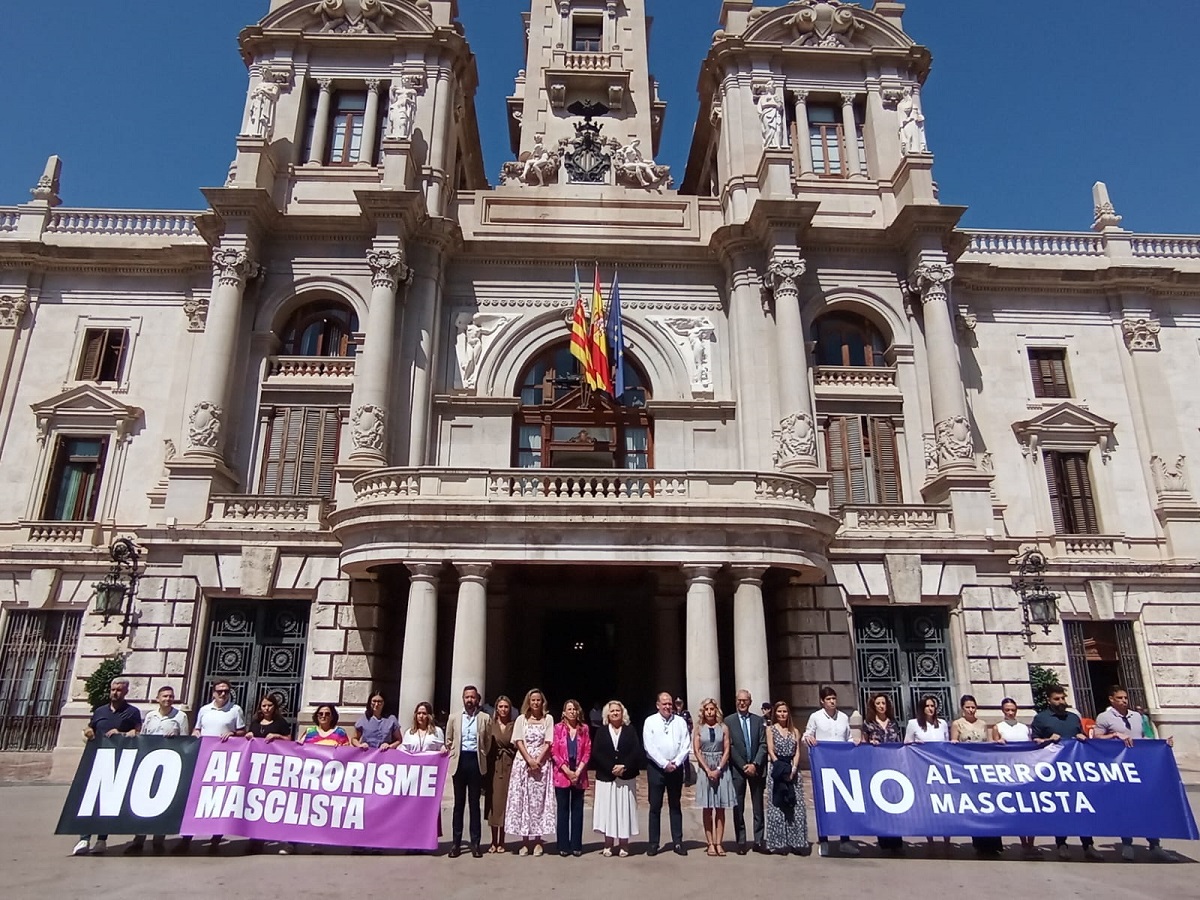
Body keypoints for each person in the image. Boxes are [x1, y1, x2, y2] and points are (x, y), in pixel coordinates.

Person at [1093, 685, 1172, 862]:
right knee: (1125, 805)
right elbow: (1096, 739)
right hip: (1119, 769)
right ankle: (1127, 843)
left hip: (1141, 766)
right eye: (1120, 698)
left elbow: (1144, 738)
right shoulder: (1104, 717)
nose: (1124, 701)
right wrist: (1113, 735)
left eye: (1125, 698)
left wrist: (1161, 744)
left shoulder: (1137, 717)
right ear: (1111, 699)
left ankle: (1155, 844)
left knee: (1147, 805)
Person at [73, 678, 142, 856]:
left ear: (126, 692)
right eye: (113, 689)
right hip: (96, 760)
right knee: (90, 799)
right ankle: (84, 838)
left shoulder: (132, 712)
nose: (115, 693)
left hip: (118, 762)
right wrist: (87, 732)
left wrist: (128, 733)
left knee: (108, 802)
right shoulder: (100, 711)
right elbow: (89, 728)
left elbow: (139, 733)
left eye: (119, 690)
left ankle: (101, 840)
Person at [1031, 685, 1100, 861]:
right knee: (1061, 808)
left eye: (1062, 698)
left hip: (1076, 771)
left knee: (1081, 808)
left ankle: (1088, 844)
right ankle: (1061, 844)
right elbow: (1033, 744)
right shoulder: (1040, 719)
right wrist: (1047, 740)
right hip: (1054, 773)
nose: (1061, 702)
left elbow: (1082, 737)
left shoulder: (1073, 718)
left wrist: (1082, 738)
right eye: (1057, 699)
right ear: (1049, 700)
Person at [175, 680, 244, 854]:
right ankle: (186, 838)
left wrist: (233, 733)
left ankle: (215, 839)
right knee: (196, 798)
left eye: (226, 691)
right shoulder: (204, 710)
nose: (223, 694)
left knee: (220, 798)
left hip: (224, 761)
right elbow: (197, 729)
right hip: (203, 759)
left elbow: (242, 732)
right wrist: (196, 733)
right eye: (219, 691)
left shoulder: (236, 710)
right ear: (213, 693)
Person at [803, 686, 858, 857]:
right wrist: (809, 738)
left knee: (843, 803)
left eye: (834, 698)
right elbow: (806, 735)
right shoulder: (816, 717)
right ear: (822, 701)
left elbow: (847, 737)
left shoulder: (843, 717)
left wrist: (854, 742)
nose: (832, 701)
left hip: (841, 766)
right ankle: (824, 840)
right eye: (828, 699)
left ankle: (845, 840)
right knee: (823, 803)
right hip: (823, 766)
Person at [444, 685, 493, 859]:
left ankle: (475, 843)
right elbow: (448, 739)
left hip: (476, 762)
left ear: (477, 699)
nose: (469, 700)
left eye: (472, 697)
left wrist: (482, 754)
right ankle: (456, 844)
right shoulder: (454, 718)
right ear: (463, 699)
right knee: (458, 805)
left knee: (474, 806)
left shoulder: (485, 718)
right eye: (467, 697)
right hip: (460, 762)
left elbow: (487, 741)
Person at [951, 694, 1002, 856]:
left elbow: (986, 745)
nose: (971, 710)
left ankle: (993, 843)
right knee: (974, 805)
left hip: (982, 768)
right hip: (966, 769)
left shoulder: (983, 724)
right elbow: (953, 745)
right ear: (962, 708)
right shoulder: (957, 724)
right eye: (968, 707)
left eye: (973, 707)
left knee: (988, 804)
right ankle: (979, 844)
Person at [507, 688, 556, 856]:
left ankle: (537, 841)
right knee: (523, 801)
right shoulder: (522, 719)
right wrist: (529, 759)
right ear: (528, 702)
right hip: (523, 763)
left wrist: (538, 760)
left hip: (541, 766)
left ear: (542, 702)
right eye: (533, 700)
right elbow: (518, 741)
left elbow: (549, 741)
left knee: (538, 803)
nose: (535, 703)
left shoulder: (548, 719)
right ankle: (524, 841)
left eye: (538, 700)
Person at [642, 691, 691, 856]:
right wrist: (664, 764)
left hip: (676, 769)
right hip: (656, 769)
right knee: (655, 807)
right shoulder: (650, 722)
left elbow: (686, 744)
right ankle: (653, 844)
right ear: (658, 705)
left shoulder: (680, 722)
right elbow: (649, 746)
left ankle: (677, 842)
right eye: (664, 703)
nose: (668, 706)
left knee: (675, 806)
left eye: (670, 703)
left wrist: (676, 762)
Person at [591, 699, 641, 857]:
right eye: (611, 711)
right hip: (606, 777)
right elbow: (597, 752)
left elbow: (636, 751)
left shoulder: (630, 730)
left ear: (622, 713)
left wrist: (624, 767)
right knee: (608, 810)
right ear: (607, 714)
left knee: (624, 809)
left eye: (617, 711)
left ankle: (624, 844)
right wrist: (611, 768)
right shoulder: (601, 731)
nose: (614, 713)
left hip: (626, 777)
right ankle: (608, 843)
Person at [990, 697, 1038, 858]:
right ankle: (1023, 843)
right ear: (1002, 711)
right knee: (1017, 809)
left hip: (1026, 771)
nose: (1010, 712)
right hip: (1009, 772)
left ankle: (1031, 844)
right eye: (1007, 710)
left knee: (1030, 809)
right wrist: (998, 742)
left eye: (1013, 710)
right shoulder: (998, 727)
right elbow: (992, 749)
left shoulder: (1024, 728)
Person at [904, 694, 951, 853]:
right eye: (928, 706)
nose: (931, 708)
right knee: (927, 803)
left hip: (941, 769)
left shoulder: (943, 724)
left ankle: (947, 839)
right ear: (922, 708)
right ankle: (930, 839)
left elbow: (947, 745)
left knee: (944, 802)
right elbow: (906, 744)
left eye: (933, 705)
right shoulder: (913, 724)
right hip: (922, 769)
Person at [860, 692, 903, 854]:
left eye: (883, 703)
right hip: (876, 767)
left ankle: (897, 842)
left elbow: (899, 742)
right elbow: (864, 744)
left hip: (892, 766)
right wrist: (870, 743)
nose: (881, 706)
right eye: (878, 703)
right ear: (874, 706)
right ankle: (884, 842)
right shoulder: (868, 724)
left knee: (895, 803)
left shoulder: (893, 723)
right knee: (881, 804)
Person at [764, 700, 809, 855]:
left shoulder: (795, 731)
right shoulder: (770, 730)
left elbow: (797, 751)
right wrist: (780, 768)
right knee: (777, 806)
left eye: (784, 711)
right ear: (775, 713)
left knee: (794, 806)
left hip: (792, 769)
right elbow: (770, 749)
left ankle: (796, 842)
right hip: (777, 768)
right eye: (779, 711)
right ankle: (778, 843)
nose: (782, 714)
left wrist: (794, 768)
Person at [727, 689, 768, 855]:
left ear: (750, 702)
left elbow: (763, 744)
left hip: (756, 770)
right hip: (738, 770)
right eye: (739, 700)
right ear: (736, 701)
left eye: (745, 700)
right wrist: (744, 765)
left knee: (758, 807)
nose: (742, 703)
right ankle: (741, 841)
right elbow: (729, 746)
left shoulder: (758, 721)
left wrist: (755, 764)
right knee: (739, 807)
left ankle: (758, 840)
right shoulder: (729, 721)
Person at [692, 698, 735, 856]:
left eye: (712, 709)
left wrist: (718, 768)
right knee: (708, 808)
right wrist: (707, 769)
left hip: (720, 767)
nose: (709, 712)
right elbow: (696, 750)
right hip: (705, 767)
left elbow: (726, 750)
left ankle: (719, 842)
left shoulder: (723, 728)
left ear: (716, 711)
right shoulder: (698, 728)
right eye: (707, 709)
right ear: (703, 711)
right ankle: (709, 842)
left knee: (720, 808)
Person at [551, 698, 592, 856]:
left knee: (577, 810)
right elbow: (554, 751)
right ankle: (563, 845)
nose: (572, 712)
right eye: (569, 709)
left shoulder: (585, 729)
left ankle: (576, 845)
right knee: (562, 810)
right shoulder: (558, 728)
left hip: (579, 774)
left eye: (574, 709)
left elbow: (588, 751)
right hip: (562, 774)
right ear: (564, 713)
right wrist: (567, 771)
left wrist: (578, 771)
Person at [485, 695, 516, 853]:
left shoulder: (514, 725)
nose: (503, 710)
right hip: (494, 767)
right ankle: (493, 840)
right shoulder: (490, 725)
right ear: (496, 708)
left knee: (505, 804)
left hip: (509, 766)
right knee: (494, 804)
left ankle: (502, 841)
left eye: (506, 707)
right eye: (501, 707)